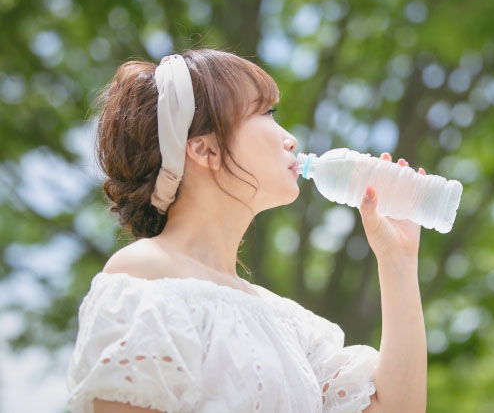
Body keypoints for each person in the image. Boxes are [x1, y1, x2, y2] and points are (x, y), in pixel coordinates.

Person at [66, 48, 427, 413]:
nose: (291, 139)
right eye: (266, 112)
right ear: (205, 149)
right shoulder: (145, 276)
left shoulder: (286, 322)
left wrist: (397, 260)